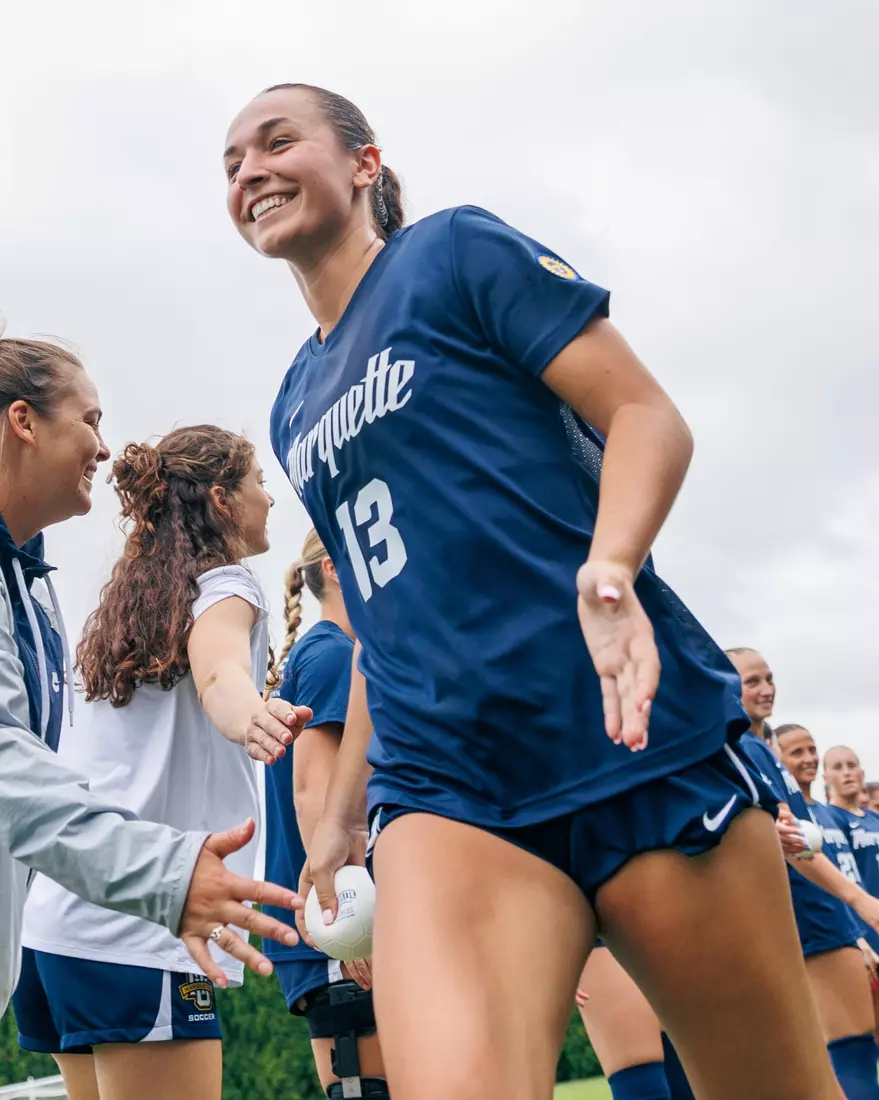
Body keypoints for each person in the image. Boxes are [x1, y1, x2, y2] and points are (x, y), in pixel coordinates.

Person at [224, 82, 842, 1099]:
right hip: (444, 781)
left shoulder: (452, 251)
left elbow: (645, 414)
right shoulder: (294, 401)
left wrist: (611, 567)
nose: (250, 170)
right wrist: (338, 820)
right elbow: (380, 620)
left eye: (276, 142)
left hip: (626, 733)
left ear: (365, 163)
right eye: (232, 163)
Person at [0, 334, 310, 1021]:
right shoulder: (228, 584)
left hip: (52, 925)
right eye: (259, 483)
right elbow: (220, 674)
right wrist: (251, 716)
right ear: (222, 500)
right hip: (141, 927)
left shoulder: (117, 603)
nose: (271, 499)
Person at [263, 529, 388, 1099]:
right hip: (344, 927)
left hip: (336, 924)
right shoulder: (333, 653)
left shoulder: (323, 653)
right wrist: (352, 928)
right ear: (336, 568)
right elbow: (315, 793)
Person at [727, 651, 879, 1099]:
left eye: (769, 678)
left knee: (848, 1051)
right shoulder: (744, 747)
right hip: (809, 909)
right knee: (849, 1050)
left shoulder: (760, 748)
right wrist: (859, 900)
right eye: (752, 681)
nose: (766, 689)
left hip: (822, 908)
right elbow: (791, 839)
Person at [824, 745, 879, 1048]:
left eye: (851, 765)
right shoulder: (830, 820)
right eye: (837, 767)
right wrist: (858, 935)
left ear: (862, 772)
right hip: (861, 932)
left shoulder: (874, 820)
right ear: (826, 777)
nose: (846, 773)